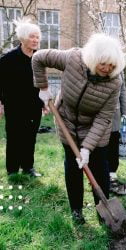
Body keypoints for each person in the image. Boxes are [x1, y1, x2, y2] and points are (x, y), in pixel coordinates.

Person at [32, 33, 126, 224]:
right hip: (66, 120)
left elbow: (103, 118)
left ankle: (103, 212)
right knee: (72, 167)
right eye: (103, 64)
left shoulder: (114, 82)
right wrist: (42, 87)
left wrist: (87, 148)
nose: (107, 69)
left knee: (99, 168)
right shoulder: (74, 58)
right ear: (93, 58)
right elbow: (38, 58)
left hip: (95, 128)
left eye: (112, 66)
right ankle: (76, 210)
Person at [0, 19, 43, 177]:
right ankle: (12, 170)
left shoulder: (39, 59)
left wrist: (45, 101)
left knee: (30, 137)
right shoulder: (8, 59)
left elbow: (42, 81)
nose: (36, 40)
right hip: (14, 105)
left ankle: (28, 167)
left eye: (37, 37)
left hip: (34, 105)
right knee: (14, 136)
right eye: (32, 37)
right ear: (22, 38)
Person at [107, 78, 126, 191]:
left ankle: (112, 176)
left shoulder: (119, 67)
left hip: (114, 115)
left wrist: (125, 112)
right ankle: (99, 177)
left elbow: (123, 89)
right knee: (99, 150)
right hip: (96, 114)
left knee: (113, 149)